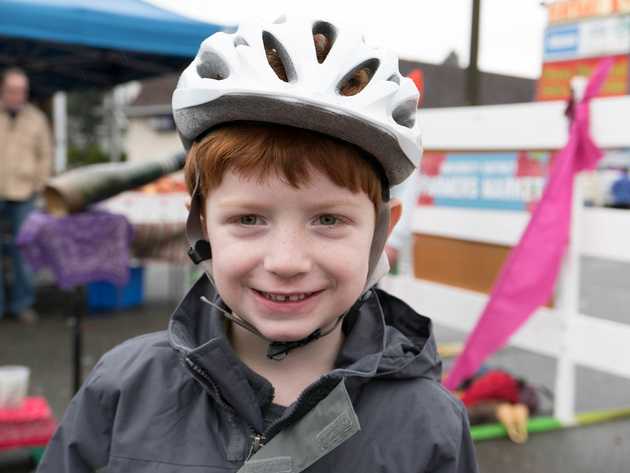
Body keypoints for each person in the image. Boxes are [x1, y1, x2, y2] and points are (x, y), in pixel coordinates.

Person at [37, 17, 478, 472]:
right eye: (248, 219)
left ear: (381, 234)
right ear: (203, 224)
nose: (286, 261)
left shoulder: (429, 426)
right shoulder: (123, 389)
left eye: (329, 219)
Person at [0, 67, 52, 324]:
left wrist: (39, 186)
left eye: (22, 91)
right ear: (3, 90)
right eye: (12, 90)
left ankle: (22, 305)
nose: (17, 96)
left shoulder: (37, 119)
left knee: (24, 251)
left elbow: (46, 156)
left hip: (24, 194)